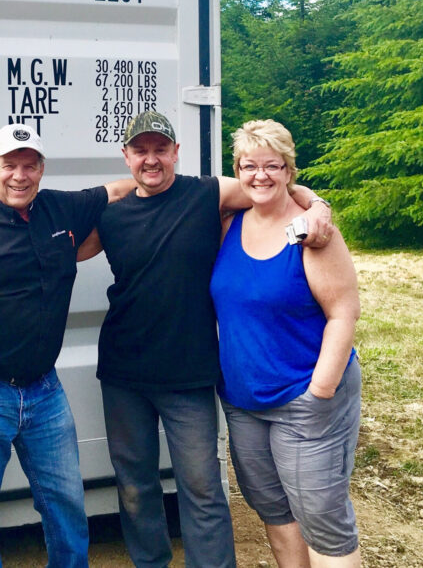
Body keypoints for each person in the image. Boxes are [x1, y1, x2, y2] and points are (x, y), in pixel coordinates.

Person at [78, 111, 334, 568]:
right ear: (126, 156)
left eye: (161, 150)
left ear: (176, 153)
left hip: (190, 374)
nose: (151, 160)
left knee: (202, 488)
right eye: (141, 150)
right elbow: (55, 244)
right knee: (135, 486)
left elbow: (272, 183)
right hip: (123, 374)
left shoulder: (206, 194)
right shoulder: (109, 216)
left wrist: (318, 207)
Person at [0, 123, 135, 568]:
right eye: (10, 165)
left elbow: (121, 189)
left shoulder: (61, 209)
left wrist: (158, 177)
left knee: (67, 505)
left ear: (42, 169)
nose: (20, 175)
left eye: (30, 165)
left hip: (43, 392)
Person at [210, 120, 362, 568]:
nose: (260, 175)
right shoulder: (226, 226)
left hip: (304, 397)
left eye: (272, 166)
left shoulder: (312, 234)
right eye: (249, 165)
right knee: (274, 513)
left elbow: (343, 313)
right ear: (237, 170)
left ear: (289, 171)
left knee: (323, 521)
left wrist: (320, 392)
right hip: (244, 401)